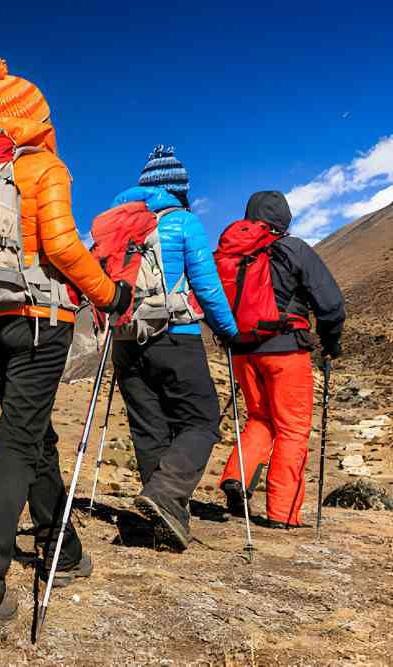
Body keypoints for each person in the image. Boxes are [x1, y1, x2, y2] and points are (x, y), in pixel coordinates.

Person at [0, 58, 131, 630]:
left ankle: (62, 551)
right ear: (36, 120)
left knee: (32, 435)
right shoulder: (44, 168)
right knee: (19, 443)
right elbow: (62, 246)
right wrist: (109, 294)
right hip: (37, 320)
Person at [108, 146, 239, 552]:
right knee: (201, 419)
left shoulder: (113, 226)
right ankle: (166, 494)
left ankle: (167, 523)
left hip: (126, 339)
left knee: (149, 429)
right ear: (179, 188)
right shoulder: (183, 222)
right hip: (174, 334)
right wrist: (228, 330)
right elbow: (207, 287)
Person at [219, 191, 345, 528]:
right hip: (286, 350)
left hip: (244, 352)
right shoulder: (294, 248)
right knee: (292, 428)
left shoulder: (233, 251)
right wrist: (331, 343)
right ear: (284, 219)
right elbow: (330, 303)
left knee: (260, 418)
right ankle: (283, 513)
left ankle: (237, 476)